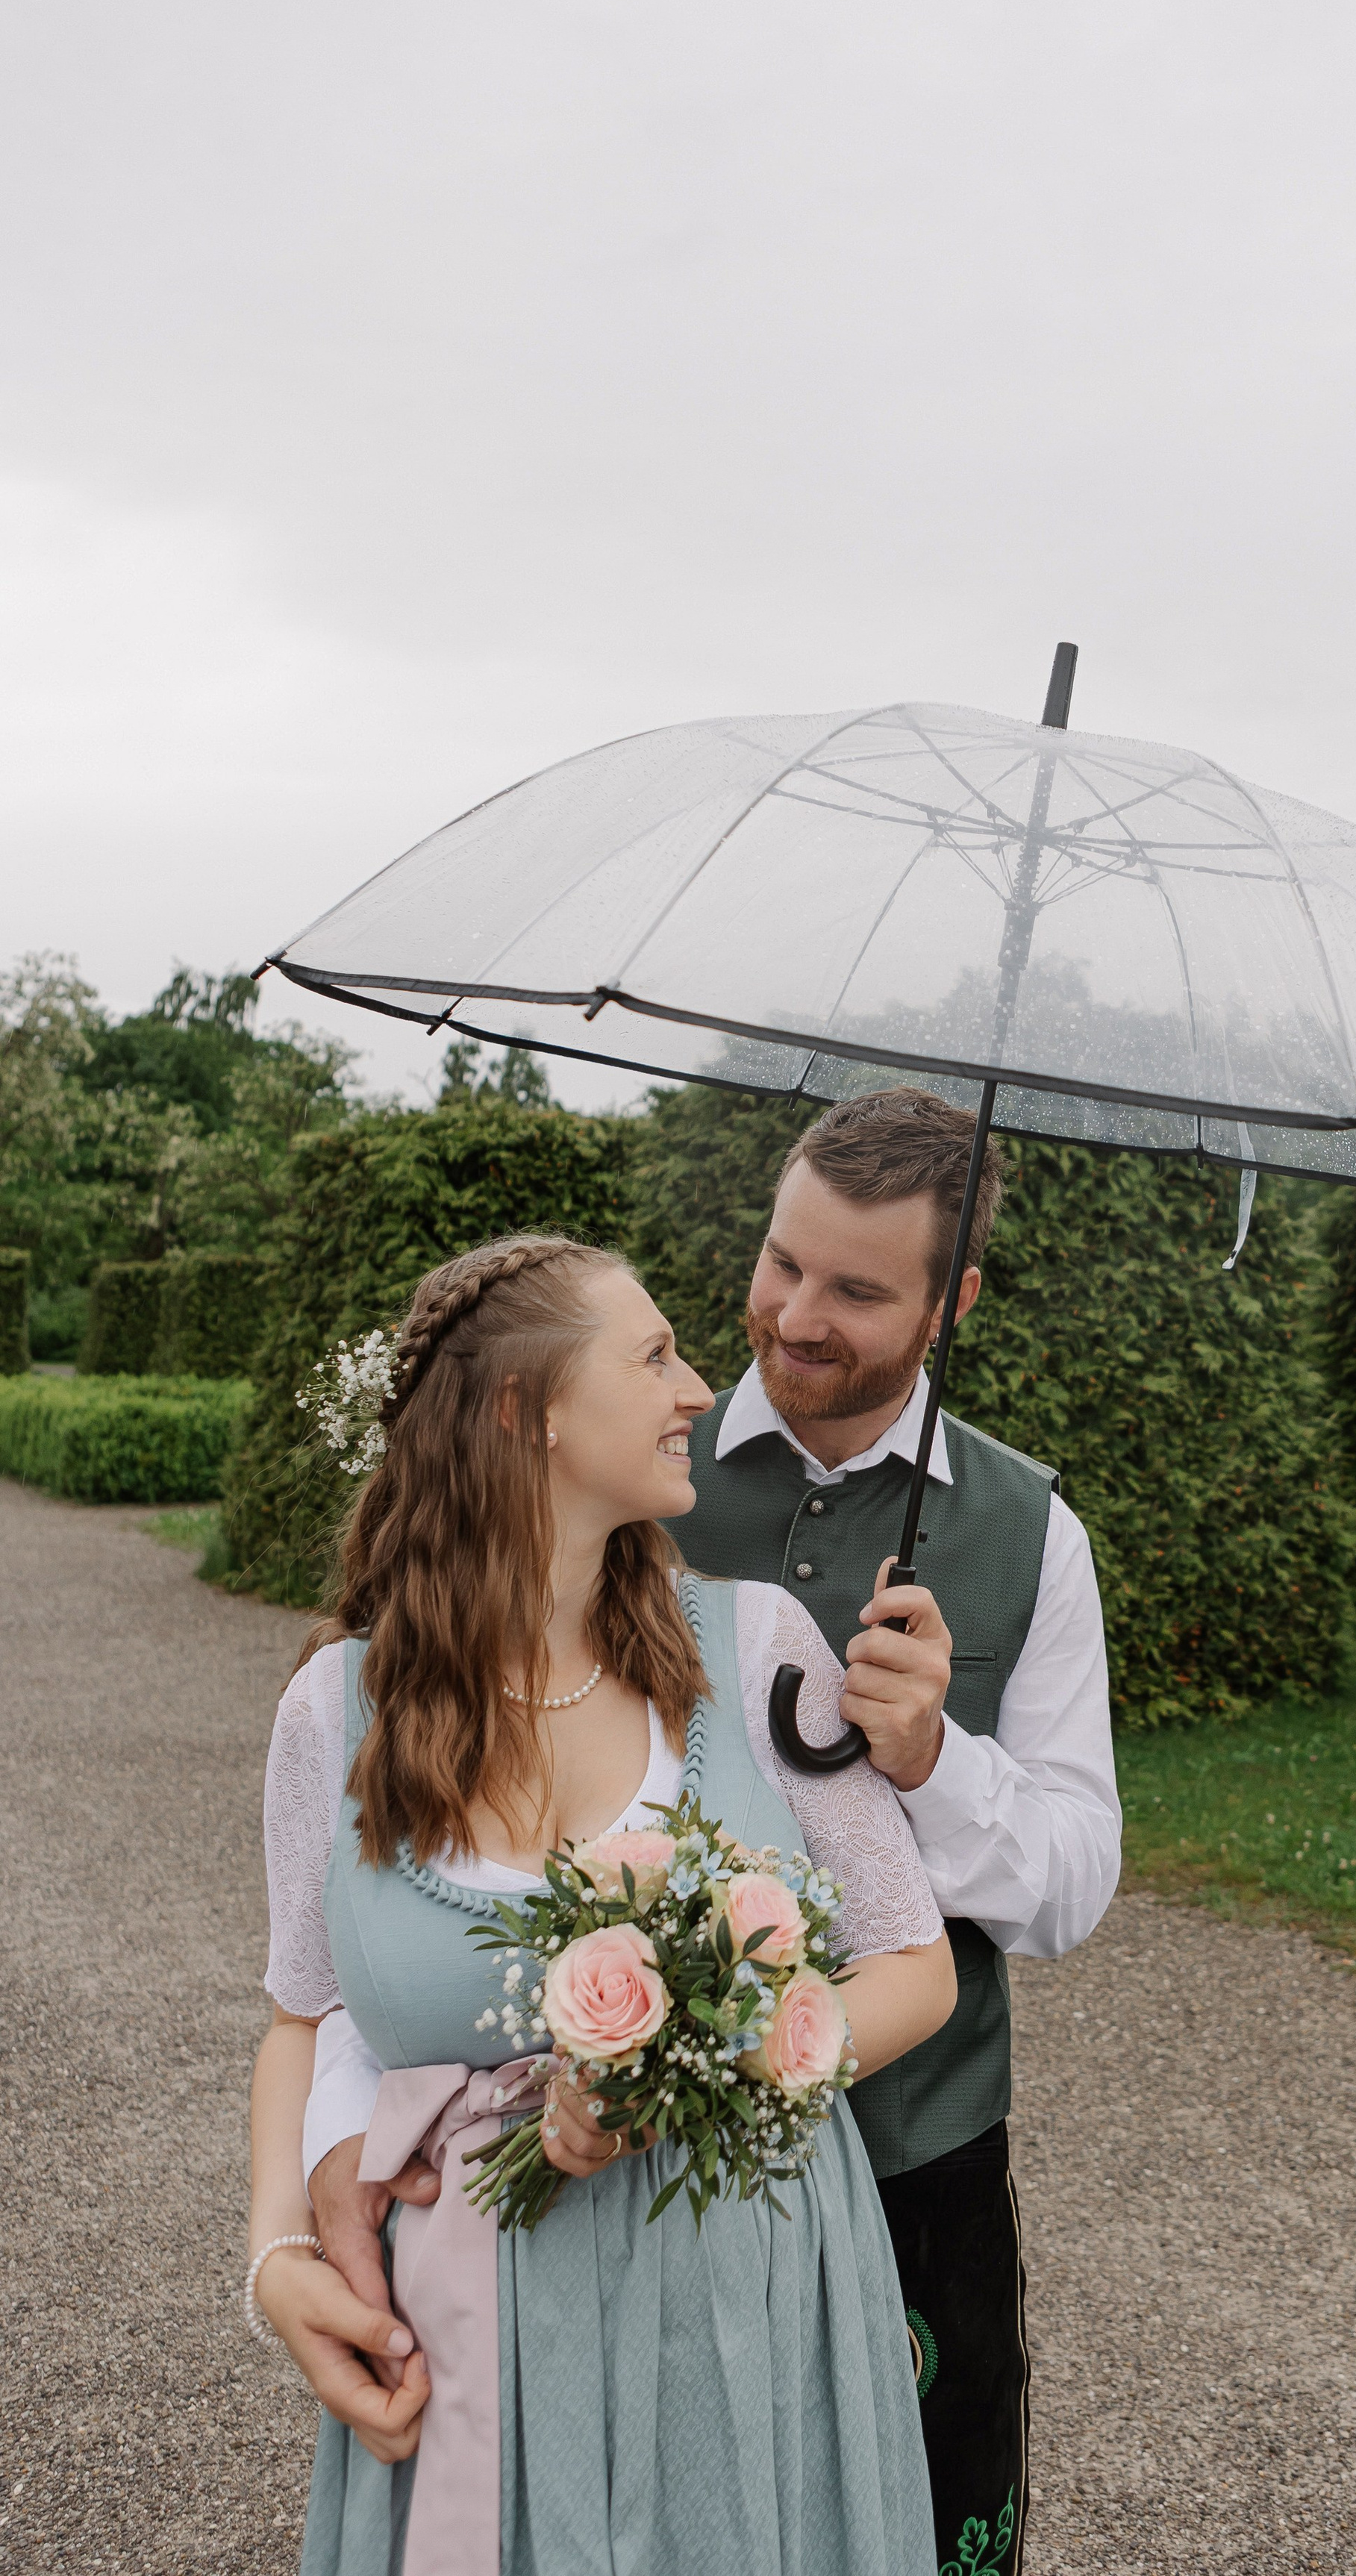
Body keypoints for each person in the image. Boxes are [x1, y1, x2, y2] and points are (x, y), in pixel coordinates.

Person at [249, 1234, 954, 2575]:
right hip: (470, 2332)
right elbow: (305, 2012)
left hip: (747, 2300)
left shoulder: (757, 1647)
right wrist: (279, 2253)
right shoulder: (333, 1711)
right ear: (532, 1410)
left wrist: (701, 2062)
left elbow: (917, 1966)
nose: (699, 1389)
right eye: (654, 1356)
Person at [681, 1086, 1122, 2576]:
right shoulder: (631, 1470)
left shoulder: (1031, 1533)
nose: (795, 1315)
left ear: (955, 1302)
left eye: (857, 1291)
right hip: (641, 2149)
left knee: (926, 2535)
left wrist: (933, 1762)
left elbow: (1071, 1883)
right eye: (781, 1260)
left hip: (914, 2155)